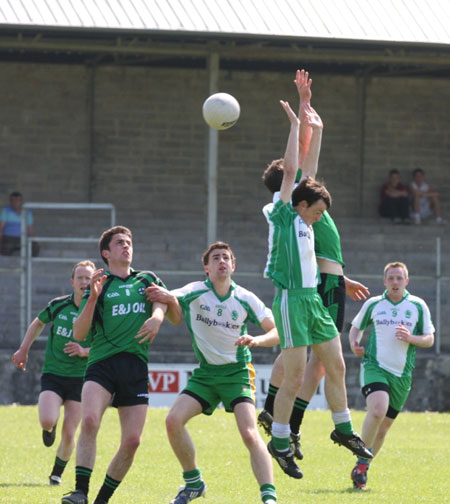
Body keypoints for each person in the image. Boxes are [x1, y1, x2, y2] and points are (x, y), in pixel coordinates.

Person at [258, 70, 370, 461]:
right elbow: (296, 172)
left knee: (331, 364)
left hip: (314, 293)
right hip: (294, 297)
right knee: (297, 370)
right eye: (316, 206)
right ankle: (281, 430)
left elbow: (306, 171)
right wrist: (296, 122)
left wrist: (311, 120)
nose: (321, 212)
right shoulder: (285, 213)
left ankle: (340, 427)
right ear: (295, 200)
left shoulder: (307, 217)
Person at [147, 241, 279, 504]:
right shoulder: (195, 291)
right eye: (216, 258)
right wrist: (156, 318)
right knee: (173, 421)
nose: (221, 262)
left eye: (226, 258)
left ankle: (269, 497)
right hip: (206, 375)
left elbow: (277, 332)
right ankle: (194, 483)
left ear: (233, 265)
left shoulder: (245, 297)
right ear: (206, 267)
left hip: (237, 373)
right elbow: (163, 297)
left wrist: (256, 340)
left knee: (249, 433)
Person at [61, 226, 181, 504]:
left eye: (129, 242)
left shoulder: (146, 278)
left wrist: (158, 317)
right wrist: (92, 297)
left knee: (132, 442)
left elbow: (172, 312)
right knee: (90, 420)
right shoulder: (100, 285)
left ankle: (102, 500)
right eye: (119, 243)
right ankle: (80, 491)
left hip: (135, 367)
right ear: (106, 253)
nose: (126, 246)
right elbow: (79, 334)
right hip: (102, 364)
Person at [348, 262, 434, 490]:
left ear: (407, 281)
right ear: (384, 281)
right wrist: (353, 343)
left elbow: (429, 339)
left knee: (383, 428)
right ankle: (361, 458)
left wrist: (411, 338)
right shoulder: (374, 304)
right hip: (375, 366)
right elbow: (356, 327)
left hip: (402, 375)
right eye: (391, 278)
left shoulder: (417, 305)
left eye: (399, 278)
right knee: (377, 410)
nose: (395, 282)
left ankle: (362, 466)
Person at [11, 260, 95, 486]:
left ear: (94, 282)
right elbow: (38, 323)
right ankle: (51, 426)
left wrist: (84, 351)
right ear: (72, 281)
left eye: (89, 278)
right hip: (54, 374)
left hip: (81, 379)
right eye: (80, 278)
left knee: (70, 434)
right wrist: (23, 350)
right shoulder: (59, 306)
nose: (84, 282)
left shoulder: (97, 311)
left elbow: (107, 343)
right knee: (47, 419)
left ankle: (56, 473)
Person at [0, 191, 39, 256]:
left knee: (35, 249)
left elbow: (30, 229)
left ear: (21, 201)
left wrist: (34, 240)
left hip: (23, 237)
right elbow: (1, 229)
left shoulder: (27, 212)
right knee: (5, 252)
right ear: (10, 202)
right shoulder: (6, 211)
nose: (16, 203)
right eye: (13, 200)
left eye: (18, 200)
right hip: (9, 238)